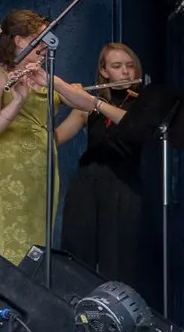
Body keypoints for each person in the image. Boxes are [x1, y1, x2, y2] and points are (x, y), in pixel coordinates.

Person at [0, 9, 110, 264]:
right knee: (13, 245)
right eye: (40, 39)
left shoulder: (43, 76)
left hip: (43, 165)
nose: (46, 47)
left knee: (40, 245)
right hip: (9, 166)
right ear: (19, 40)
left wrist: (55, 83)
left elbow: (87, 105)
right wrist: (17, 101)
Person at [62, 42, 149, 291]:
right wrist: (47, 101)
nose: (125, 72)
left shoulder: (144, 104)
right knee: (77, 259)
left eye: (130, 66)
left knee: (119, 265)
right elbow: (54, 138)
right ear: (104, 72)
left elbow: (132, 125)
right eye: (117, 66)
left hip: (123, 187)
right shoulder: (87, 108)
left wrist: (91, 102)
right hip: (86, 185)